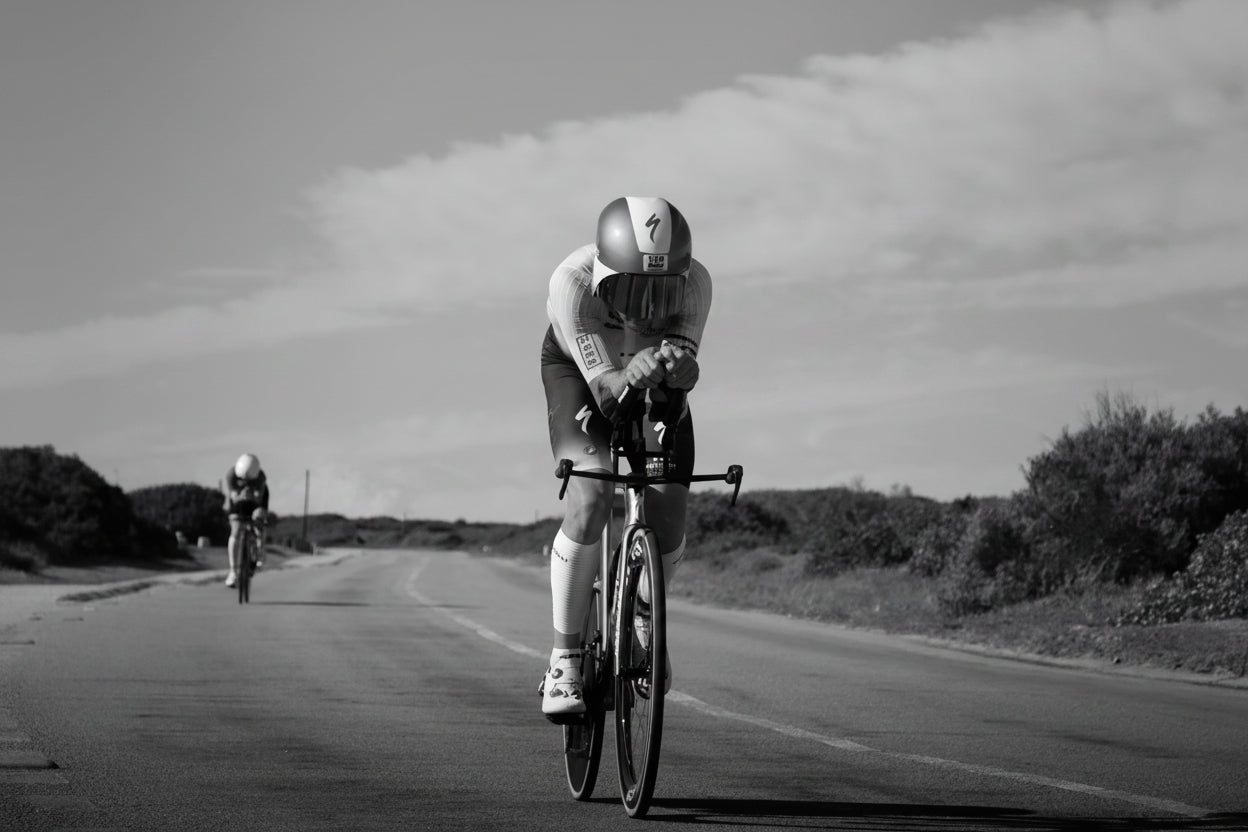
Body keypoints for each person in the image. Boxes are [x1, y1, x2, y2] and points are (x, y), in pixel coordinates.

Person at [539, 196, 710, 718]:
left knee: (669, 508)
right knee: (591, 499)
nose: (645, 306)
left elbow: (673, 387)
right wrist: (627, 371)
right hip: (582, 376)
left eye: (661, 290)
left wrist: (681, 374)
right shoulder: (571, 284)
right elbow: (610, 396)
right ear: (604, 272)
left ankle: (640, 607)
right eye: (632, 287)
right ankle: (564, 658)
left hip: (649, 376)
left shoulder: (697, 284)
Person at [223, 453, 270, 588]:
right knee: (235, 531)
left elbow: (260, 498)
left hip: (256, 503)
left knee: (259, 521)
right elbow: (233, 497)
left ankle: (260, 549)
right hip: (238, 503)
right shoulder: (231, 475)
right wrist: (241, 495)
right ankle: (233, 571)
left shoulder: (260, 477)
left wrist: (255, 500)